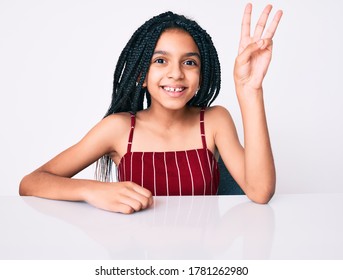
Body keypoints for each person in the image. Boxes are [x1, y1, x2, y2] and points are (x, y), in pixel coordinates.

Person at [19, 3, 283, 214]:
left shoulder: (214, 121)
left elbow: (260, 192)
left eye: (189, 63)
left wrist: (250, 91)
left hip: (200, 261)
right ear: (141, 75)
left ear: (201, 74)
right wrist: (93, 190)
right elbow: (30, 182)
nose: (176, 73)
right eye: (160, 60)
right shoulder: (119, 128)